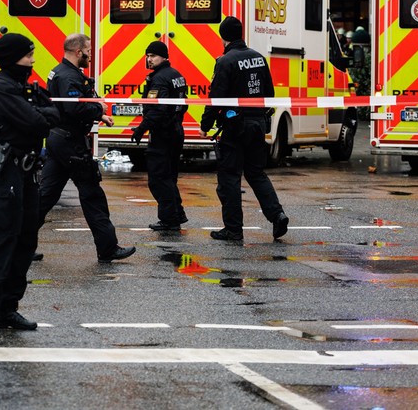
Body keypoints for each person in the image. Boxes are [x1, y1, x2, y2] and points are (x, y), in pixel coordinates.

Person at [0, 33, 59, 336]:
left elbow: (52, 115)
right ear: (14, 58)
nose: (33, 60)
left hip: (26, 173)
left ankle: (8, 308)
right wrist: (42, 113)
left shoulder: (25, 88)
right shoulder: (0, 88)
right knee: (3, 241)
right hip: (5, 173)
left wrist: (42, 112)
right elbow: (38, 122)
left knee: (26, 242)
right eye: (28, 55)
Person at [37, 33, 135, 262]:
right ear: (78, 52)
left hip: (58, 141)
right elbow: (73, 110)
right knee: (92, 194)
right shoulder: (69, 77)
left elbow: (80, 102)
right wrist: (98, 111)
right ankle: (108, 249)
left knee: (45, 196)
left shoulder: (61, 72)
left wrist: (99, 111)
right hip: (70, 142)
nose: (90, 55)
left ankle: (18, 246)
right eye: (88, 51)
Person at [199, 16, 288, 241]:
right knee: (256, 173)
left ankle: (233, 229)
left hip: (235, 126)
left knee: (229, 177)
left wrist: (205, 125)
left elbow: (216, 97)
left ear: (223, 36)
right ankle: (277, 215)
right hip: (257, 124)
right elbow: (269, 93)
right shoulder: (258, 58)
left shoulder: (225, 61)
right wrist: (260, 116)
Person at [131, 41, 189, 233]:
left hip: (163, 134)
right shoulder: (176, 76)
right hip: (175, 132)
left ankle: (169, 219)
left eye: (153, 56)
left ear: (164, 57)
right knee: (169, 177)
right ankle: (177, 213)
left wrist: (141, 129)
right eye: (147, 56)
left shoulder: (160, 79)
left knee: (158, 179)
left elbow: (158, 110)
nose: (149, 59)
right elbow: (183, 105)